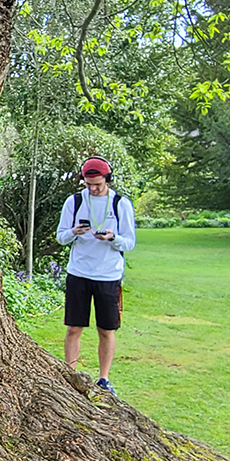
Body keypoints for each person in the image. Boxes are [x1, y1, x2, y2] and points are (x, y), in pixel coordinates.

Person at [56, 156, 136, 395]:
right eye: (88, 184)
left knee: (106, 329)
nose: (92, 188)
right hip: (79, 273)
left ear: (107, 180)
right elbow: (61, 237)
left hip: (108, 275)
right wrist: (73, 232)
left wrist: (112, 238)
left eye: (97, 184)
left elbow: (130, 243)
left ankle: (104, 379)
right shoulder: (75, 201)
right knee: (73, 328)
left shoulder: (120, 204)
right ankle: (71, 376)